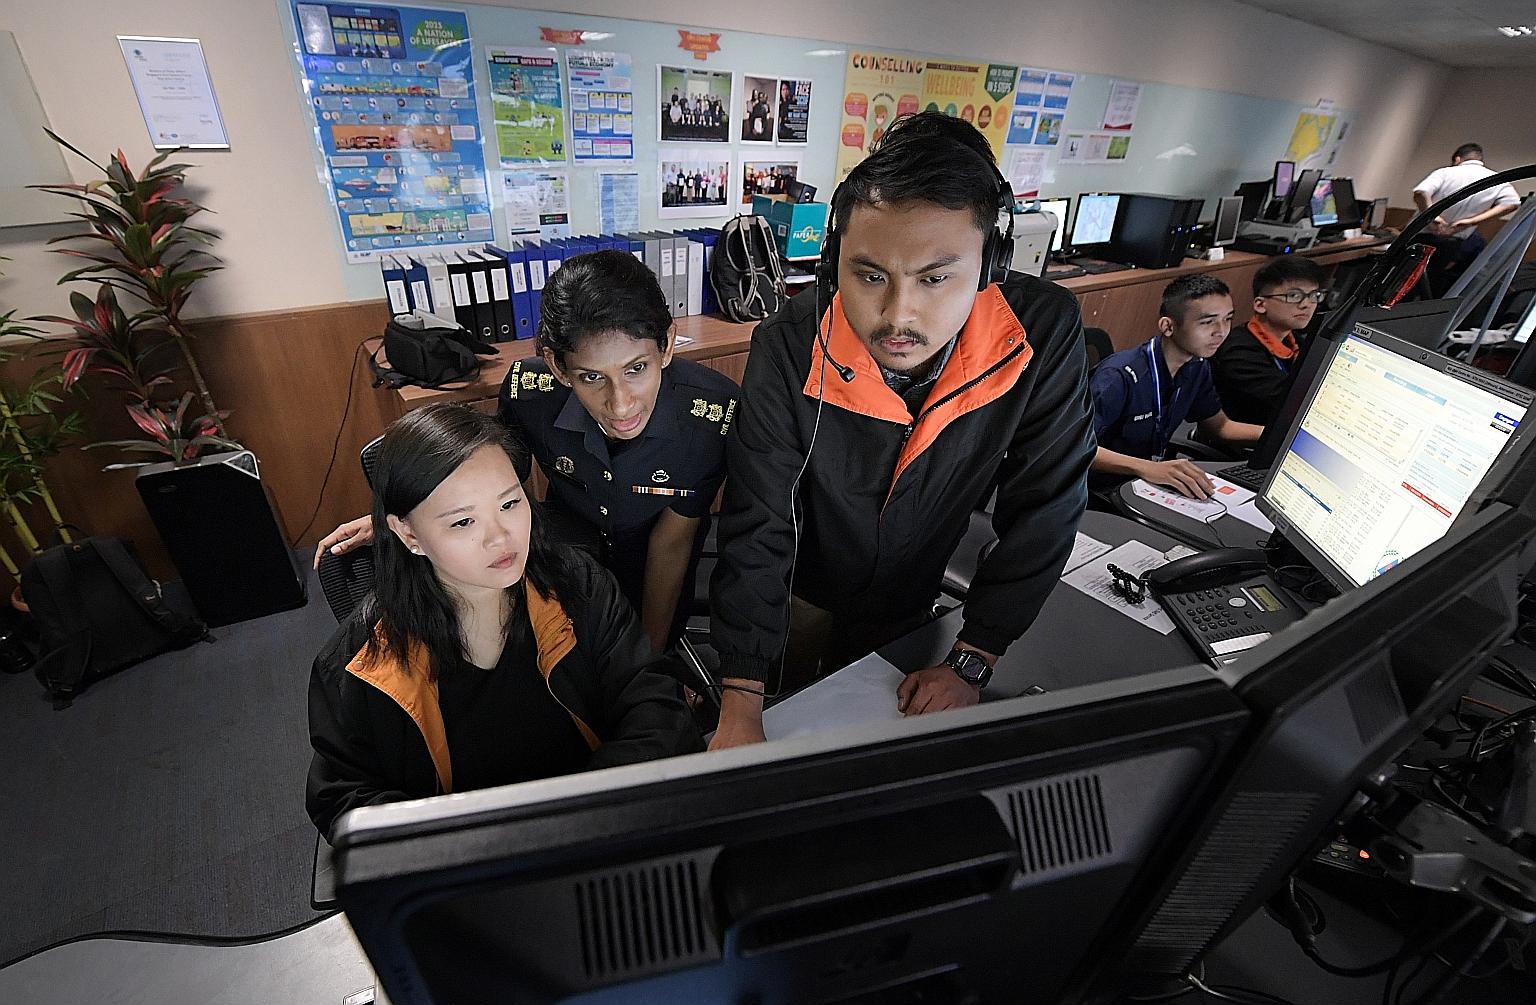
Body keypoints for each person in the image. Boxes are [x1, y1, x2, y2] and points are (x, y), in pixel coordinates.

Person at [707, 111, 1097, 749]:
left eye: (937, 278)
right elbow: (759, 518)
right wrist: (742, 699)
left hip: (917, 599)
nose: (898, 316)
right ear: (836, 261)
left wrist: (976, 654)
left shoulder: (1040, 331)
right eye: (869, 275)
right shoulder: (789, 343)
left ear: (990, 264)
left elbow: (1048, 503)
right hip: (801, 589)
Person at [306, 404, 700, 840]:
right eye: (463, 521)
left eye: (510, 503)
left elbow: (652, 703)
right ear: (408, 534)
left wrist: (575, 817)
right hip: (469, 873)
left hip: (596, 834)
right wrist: (477, 842)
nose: (501, 537)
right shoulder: (361, 661)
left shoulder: (578, 586)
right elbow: (343, 797)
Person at [315, 251, 737, 657]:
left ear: (665, 347)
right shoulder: (530, 390)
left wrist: (651, 660)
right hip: (563, 545)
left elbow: (671, 545)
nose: (621, 404)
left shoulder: (710, 416)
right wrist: (411, 519)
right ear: (557, 366)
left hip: (653, 552)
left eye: (636, 369)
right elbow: (485, 483)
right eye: (592, 377)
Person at [1089, 274, 1264, 500]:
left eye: (1227, 319)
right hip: (1098, 489)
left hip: (1145, 483)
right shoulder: (1118, 376)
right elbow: (1077, 448)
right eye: (1208, 322)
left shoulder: (1197, 366)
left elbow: (1219, 427)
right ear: (1168, 326)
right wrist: (1144, 467)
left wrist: (1281, 436)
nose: (1221, 331)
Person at [1211, 255, 1326, 426]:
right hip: (1245, 443)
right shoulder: (1239, 352)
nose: (1306, 304)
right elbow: (1289, 400)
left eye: (1313, 295)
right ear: (1260, 305)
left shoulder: (1296, 341)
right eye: (1294, 295)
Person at [1413, 143, 1521, 296]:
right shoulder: (1497, 180)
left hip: (1421, 240)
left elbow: (1421, 192)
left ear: (1457, 159)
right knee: (1432, 288)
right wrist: (1472, 221)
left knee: (1404, 285)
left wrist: (1433, 217)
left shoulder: (1445, 172)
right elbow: (1512, 203)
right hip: (1453, 245)